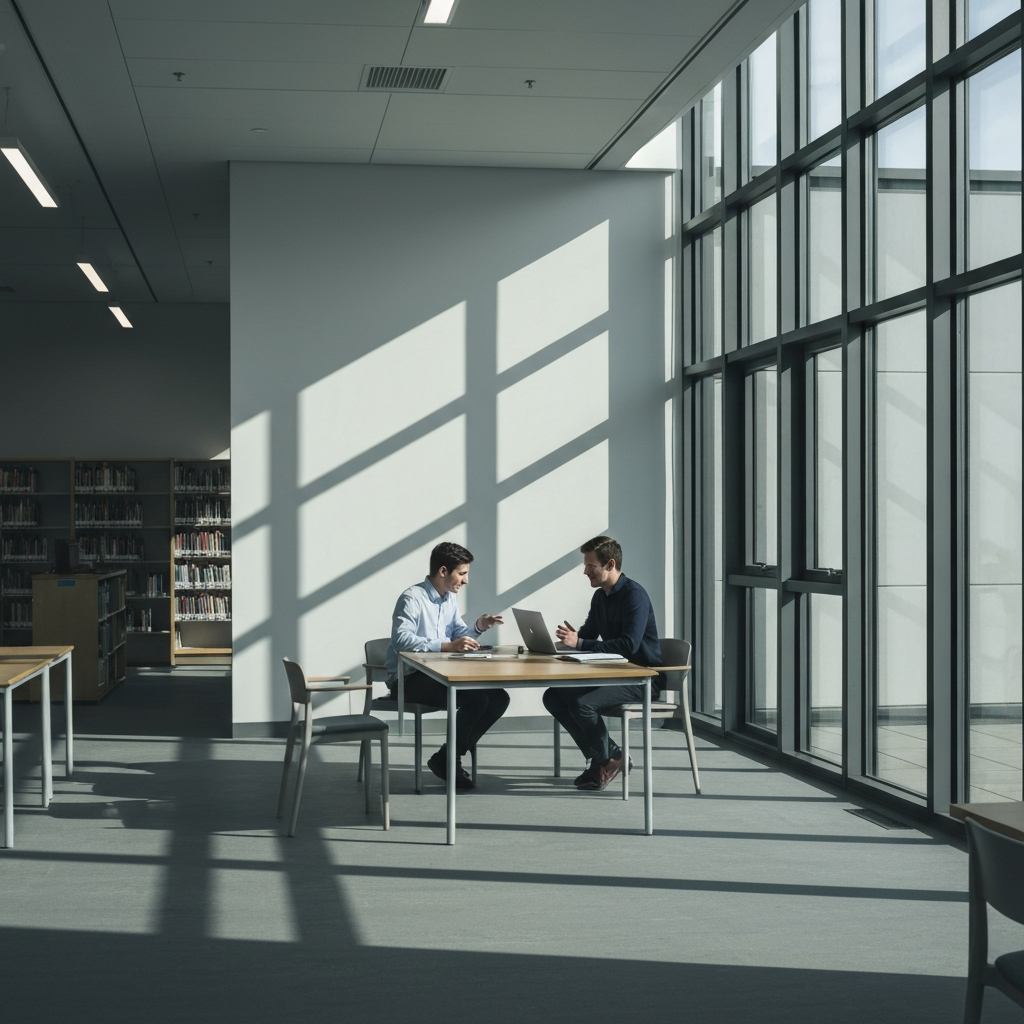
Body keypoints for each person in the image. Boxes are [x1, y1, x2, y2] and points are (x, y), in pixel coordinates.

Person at [385, 541, 509, 789]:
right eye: (462, 574)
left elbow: (457, 636)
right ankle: (449, 759)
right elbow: (402, 641)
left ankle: (447, 756)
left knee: (498, 697)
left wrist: (477, 628)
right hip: (408, 678)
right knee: (477, 700)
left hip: (438, 674)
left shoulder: (449, 599)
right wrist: (447, 646)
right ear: (443, 571)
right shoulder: (412, 598)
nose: (466, 581)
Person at [543, 535, 662, 792]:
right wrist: (570, 641)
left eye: (590, 566)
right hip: (615, 673)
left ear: (609, 564)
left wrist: (581, 644)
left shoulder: (635, 596)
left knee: (581, 704)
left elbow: (628, 645)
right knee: (554, 697)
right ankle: (610, 756)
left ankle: (605, 760)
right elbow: (588, 636)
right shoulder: (600, 597)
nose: (585, 571)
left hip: (640, 678)